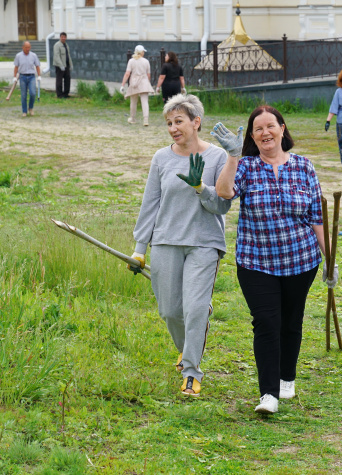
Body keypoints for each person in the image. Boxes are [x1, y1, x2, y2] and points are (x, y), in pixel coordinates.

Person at [213, 106, 336, 415]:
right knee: (267, 322)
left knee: (291, 321)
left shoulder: (304, 167)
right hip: (257, 262)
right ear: (252, 137)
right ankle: (268, 394)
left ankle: (286, 378)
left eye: (271, 126)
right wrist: (232, 156)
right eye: (258, 129)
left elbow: (316, 216)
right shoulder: (246, 166)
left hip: (301, 261)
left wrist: (330, 259)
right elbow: (224, 192)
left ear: (282, 128)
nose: (265, 132)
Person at [130, 94, 231, 397]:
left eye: (179, 121)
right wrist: (139, 248)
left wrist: (201, 187)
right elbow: (150, 204)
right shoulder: (161, 158)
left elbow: (222, 206)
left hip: (204, 242)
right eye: (169, 123)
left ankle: (191, 371)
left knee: (195, 310)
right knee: (171, 310)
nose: (173, 128)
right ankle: (188, 346)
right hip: (166, 241)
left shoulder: (217, 157)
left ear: (196, 122)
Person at [120, 45, 154, 126]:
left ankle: (132, 118)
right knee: (145, 101)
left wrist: (123, 85)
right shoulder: (146, 61)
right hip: (144, 81)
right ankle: (145, 119)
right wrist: (148, 82)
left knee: (133, 101)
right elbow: (148, 75)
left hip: (134, 82)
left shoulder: (131, 61)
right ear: (141, 52)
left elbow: (127, 73)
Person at [13, 41, 41, 117]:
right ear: (23, 47)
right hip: (22, 76)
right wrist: (14, 77)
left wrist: (39, 76)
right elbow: (16, 67)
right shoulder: (18, 56)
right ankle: (24, 111)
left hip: (31, 76)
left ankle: (30, 108)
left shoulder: (33, 55)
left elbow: (37, 66)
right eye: (26, 47)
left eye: (29, 47)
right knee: (23, 95)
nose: (27, 49)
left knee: (33, 93)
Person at [53, 32, 73, 98]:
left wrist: (71, 64)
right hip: (59, 66)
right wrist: (61, 65)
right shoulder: (57, 45)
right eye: (62, 37)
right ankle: (59, 94)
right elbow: (56, 56)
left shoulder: (66, 45)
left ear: (66, 38)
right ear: (60, 37)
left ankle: (66, 94)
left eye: (64, 37)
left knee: (67, 79)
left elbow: (68, 55)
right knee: (59, 80)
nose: (63, 38)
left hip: (66, 65)